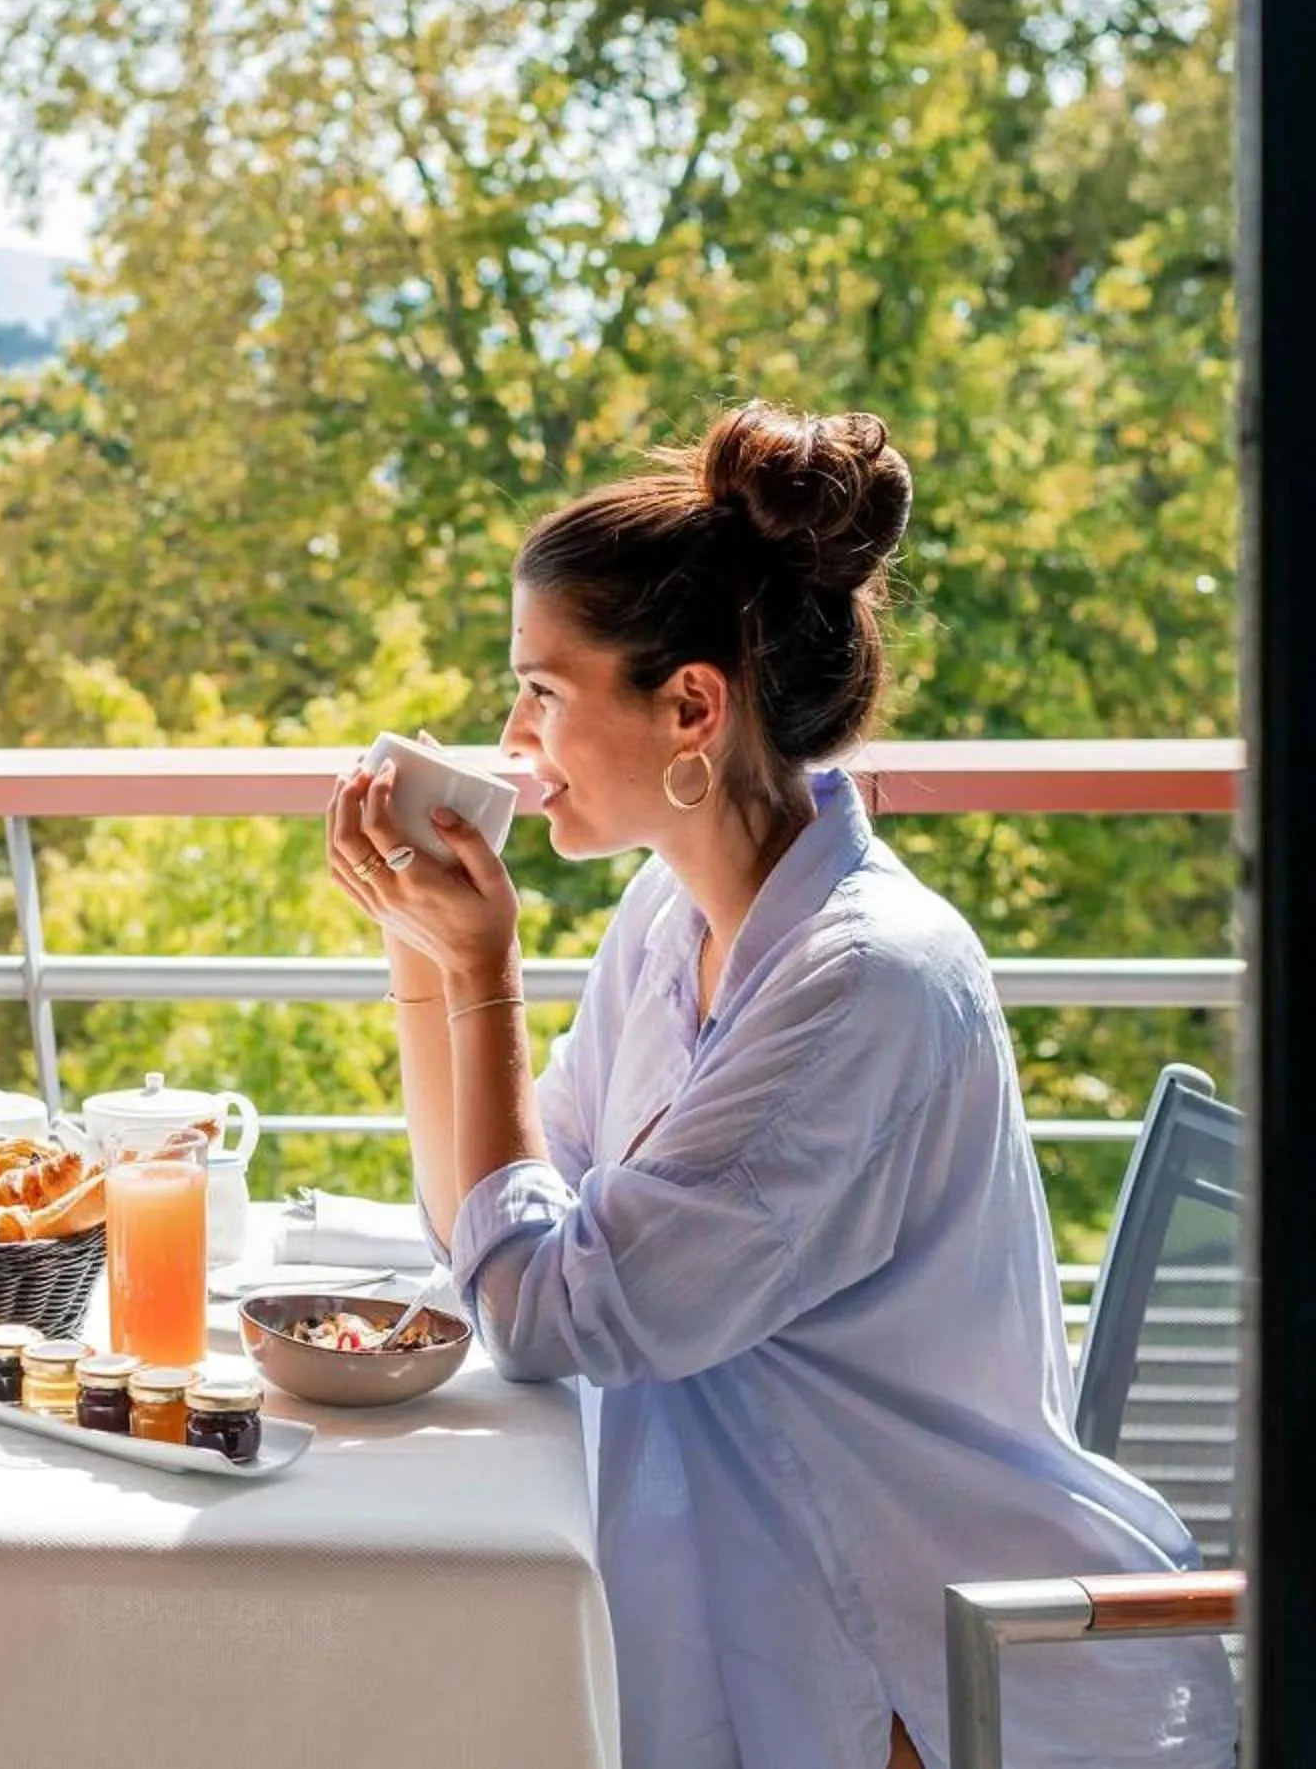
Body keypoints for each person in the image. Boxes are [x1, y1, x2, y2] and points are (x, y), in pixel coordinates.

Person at [328, 403, 1235, 1769]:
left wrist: (482, 976)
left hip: (917, 1649)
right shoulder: (671, 914)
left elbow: (551, 1312)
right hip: (758, 1579)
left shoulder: (861, 982)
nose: (513, 735)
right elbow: (489, 1223)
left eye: (543, 691)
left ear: (692, 705)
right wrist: (420, 952)